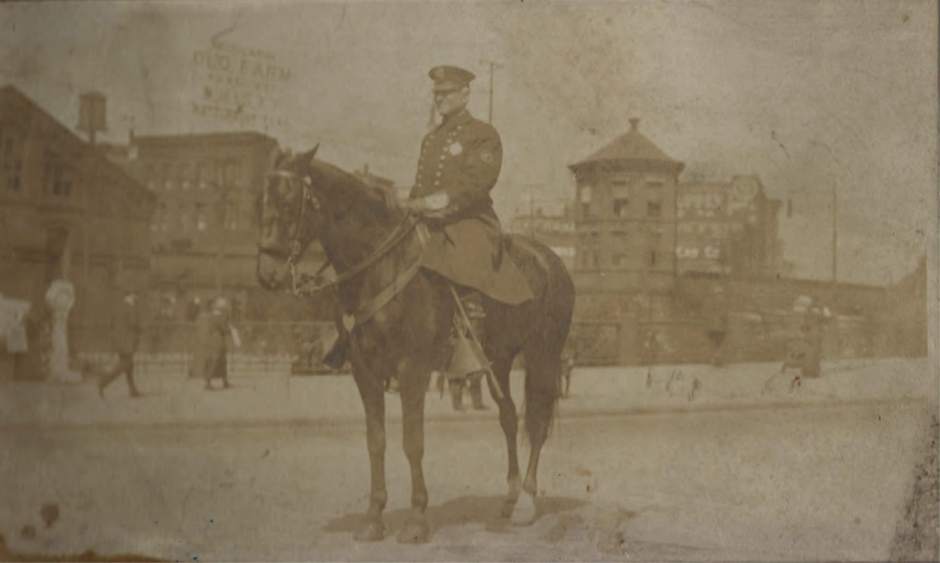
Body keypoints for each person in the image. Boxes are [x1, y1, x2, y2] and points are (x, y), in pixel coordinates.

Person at [400, 64, 534, 382]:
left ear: (465, 94)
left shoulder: (482, 134)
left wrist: (427, 205)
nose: (439, 99)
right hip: (428, 220)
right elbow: (421, 186)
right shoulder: (431, 139)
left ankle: (469, 341)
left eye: (446, 93)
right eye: (436, 93)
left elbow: (475, 185)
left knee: (462, 261)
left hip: (469, 219)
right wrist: (410, 207)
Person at [97, 289, 142, 398]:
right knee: (125, 364)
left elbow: (112, 324)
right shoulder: (130, 307)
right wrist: (141, 329)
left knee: (129, 365)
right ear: (131, 296)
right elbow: (133, 323)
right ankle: (103, 382)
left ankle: (133, 390)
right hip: (127, 342)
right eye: (135, 296)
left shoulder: (119, 307)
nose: (136, 299)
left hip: (119, 341)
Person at [200, 297, 236, 390]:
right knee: (217, 361)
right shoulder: (219, 317)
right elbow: (224, 329)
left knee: (221, 360)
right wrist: (230, 329)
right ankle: (209, 382)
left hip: (213, 339)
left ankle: (224, 381)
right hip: (218, 340)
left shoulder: (212, 315)